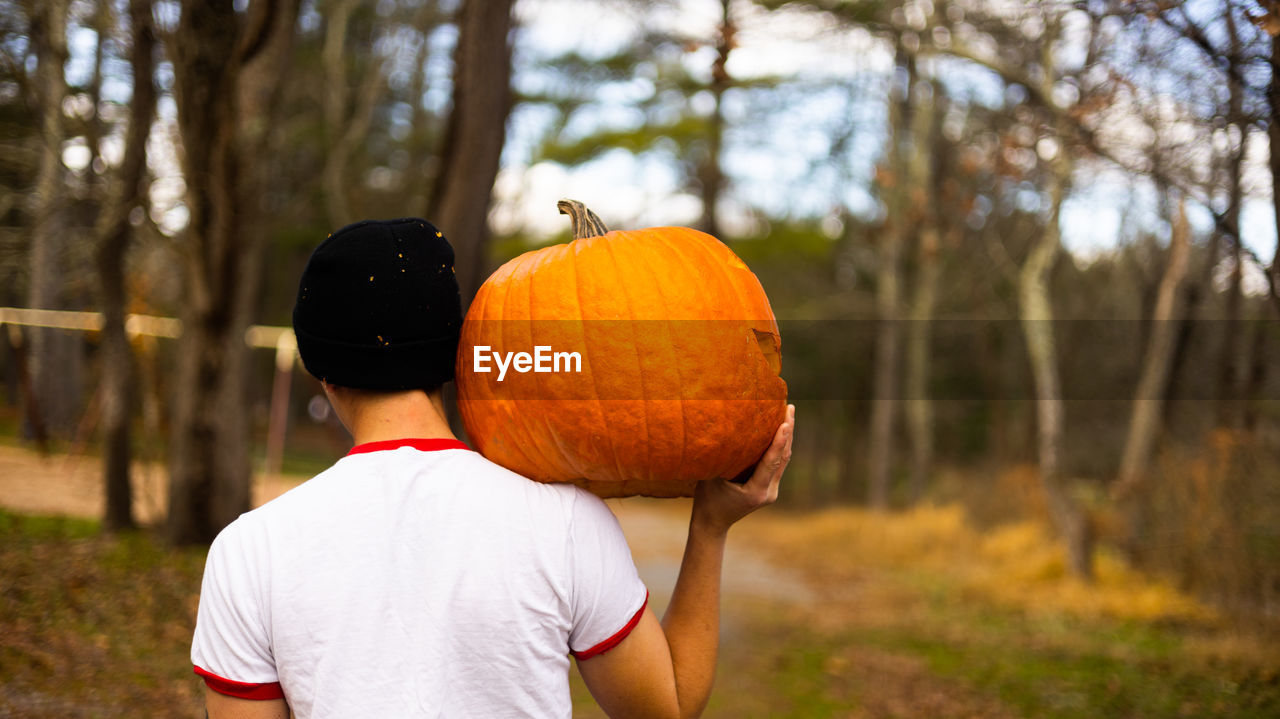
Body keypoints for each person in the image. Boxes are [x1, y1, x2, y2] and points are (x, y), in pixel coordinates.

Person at [190, 217, 795, 719]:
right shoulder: (562, 522)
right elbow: (671, 706)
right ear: (456, 354)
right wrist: (710, 529)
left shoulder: (248, 551)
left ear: (320, 369)